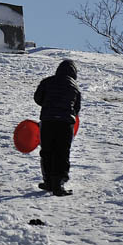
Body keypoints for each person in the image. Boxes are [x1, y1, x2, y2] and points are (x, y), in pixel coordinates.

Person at [34, 59, 81, 196]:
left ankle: (48, 181)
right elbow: (77, 108)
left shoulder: (47, 81)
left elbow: (37, 98)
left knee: (47, 151)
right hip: (65, 124)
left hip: (47, 121)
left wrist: (48, 105)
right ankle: (58, 184)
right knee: (62, 153)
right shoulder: (74, 87)